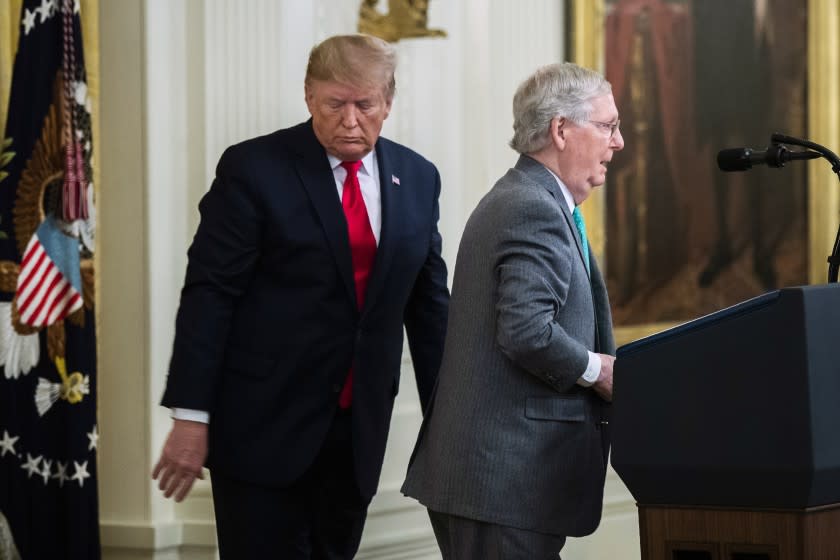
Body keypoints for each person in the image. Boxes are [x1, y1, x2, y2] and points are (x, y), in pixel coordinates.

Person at [151, 34, 449, 559]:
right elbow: (209, 296)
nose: (350, 120)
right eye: (335, 104)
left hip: (357, 431)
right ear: (309, 96)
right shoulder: (253, 169)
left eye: (366, 105)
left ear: (388, 101)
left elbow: (429, 314)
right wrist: (190, 416)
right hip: (263, 425)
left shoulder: (419, 178)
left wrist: (450, 421)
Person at [401, 62, 621, 559]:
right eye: (608, 126)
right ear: (560, 130)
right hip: (503, 479)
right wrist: (598, 370)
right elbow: (526, 329)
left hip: (504, 483)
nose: (619, 142)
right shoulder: (532, 206)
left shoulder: (534, 198)